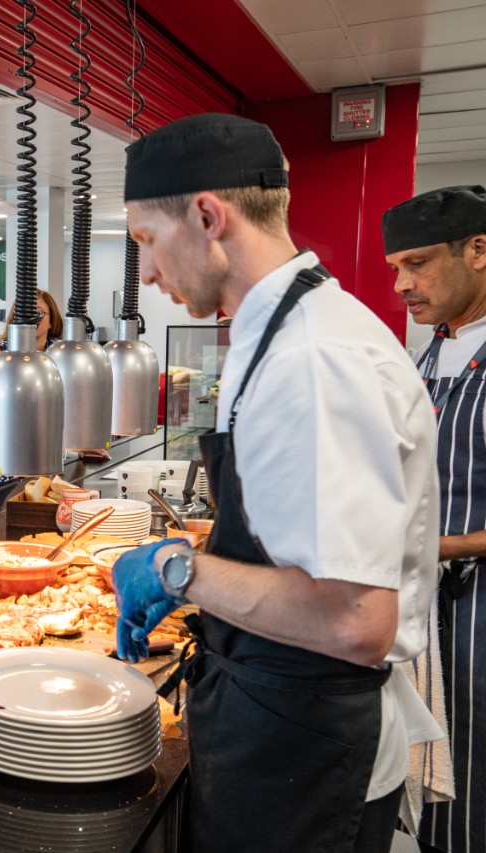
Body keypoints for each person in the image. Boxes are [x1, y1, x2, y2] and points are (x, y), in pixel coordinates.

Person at [110, 113, 441, 852]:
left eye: (146, 241)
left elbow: (354, 619)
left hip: (311, 753)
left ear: (207, 217)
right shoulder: (282, 332)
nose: (148, 273)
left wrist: (179, 570)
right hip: (276, 725)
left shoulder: (313, 357)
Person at [383, 185, 486, 853]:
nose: (401, 285)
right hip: (428, 618)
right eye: (396, 267)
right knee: (437, 803)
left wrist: (442, 545)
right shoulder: (426, 355)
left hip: (479, 617)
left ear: (479, 250)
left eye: (417, 263)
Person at [0, 291, 62, 494]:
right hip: (1, 444)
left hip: (42, 445)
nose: (32, 319)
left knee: (37, 506)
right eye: (25, 313)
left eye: (39, 313)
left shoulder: (57, 353)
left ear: (52, 321)